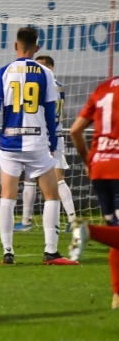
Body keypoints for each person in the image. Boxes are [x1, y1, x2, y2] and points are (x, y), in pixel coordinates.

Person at [0, 27, 76, 265]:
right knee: (51, 195)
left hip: (10, 141)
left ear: (16, 45)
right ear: (37, 47)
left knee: (7, 197)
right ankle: (51, 252)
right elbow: (50, 112)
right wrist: (51, 142)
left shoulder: (4, 72)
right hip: (37, 141)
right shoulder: (45, 73)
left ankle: (8, 252)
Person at [68, 75, 119, 309]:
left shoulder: (104, 87)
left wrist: (89, 162)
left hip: (99, 166)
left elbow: (75, 130)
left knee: (116, 233)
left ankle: (117, 295)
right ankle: (88, 230)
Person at [15, 55, 76, 232]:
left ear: (50, 67)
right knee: (31, 178)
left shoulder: (46, 85)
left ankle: (71, 219)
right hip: (50, 135)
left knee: (55, 179)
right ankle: (26, 221)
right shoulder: (58, 85)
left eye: (41, 66)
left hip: (45, 137)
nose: (37, 69)